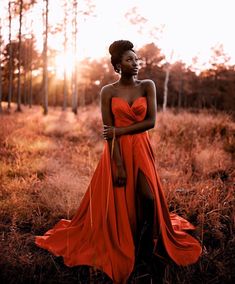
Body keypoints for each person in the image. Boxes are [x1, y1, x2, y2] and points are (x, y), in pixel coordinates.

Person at [35, 40, 202, 283]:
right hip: (117, 151)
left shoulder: (148, 85)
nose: (135, 63)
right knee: (120, 197)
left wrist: (120, 132)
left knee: (148, 197)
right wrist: (119, 164)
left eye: (136, 59)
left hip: (141, 147)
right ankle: (128, 242)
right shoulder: (108, 91)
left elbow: (151, 122)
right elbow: (107, 130)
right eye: (129, 60)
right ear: (117, 65)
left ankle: (145, 244)